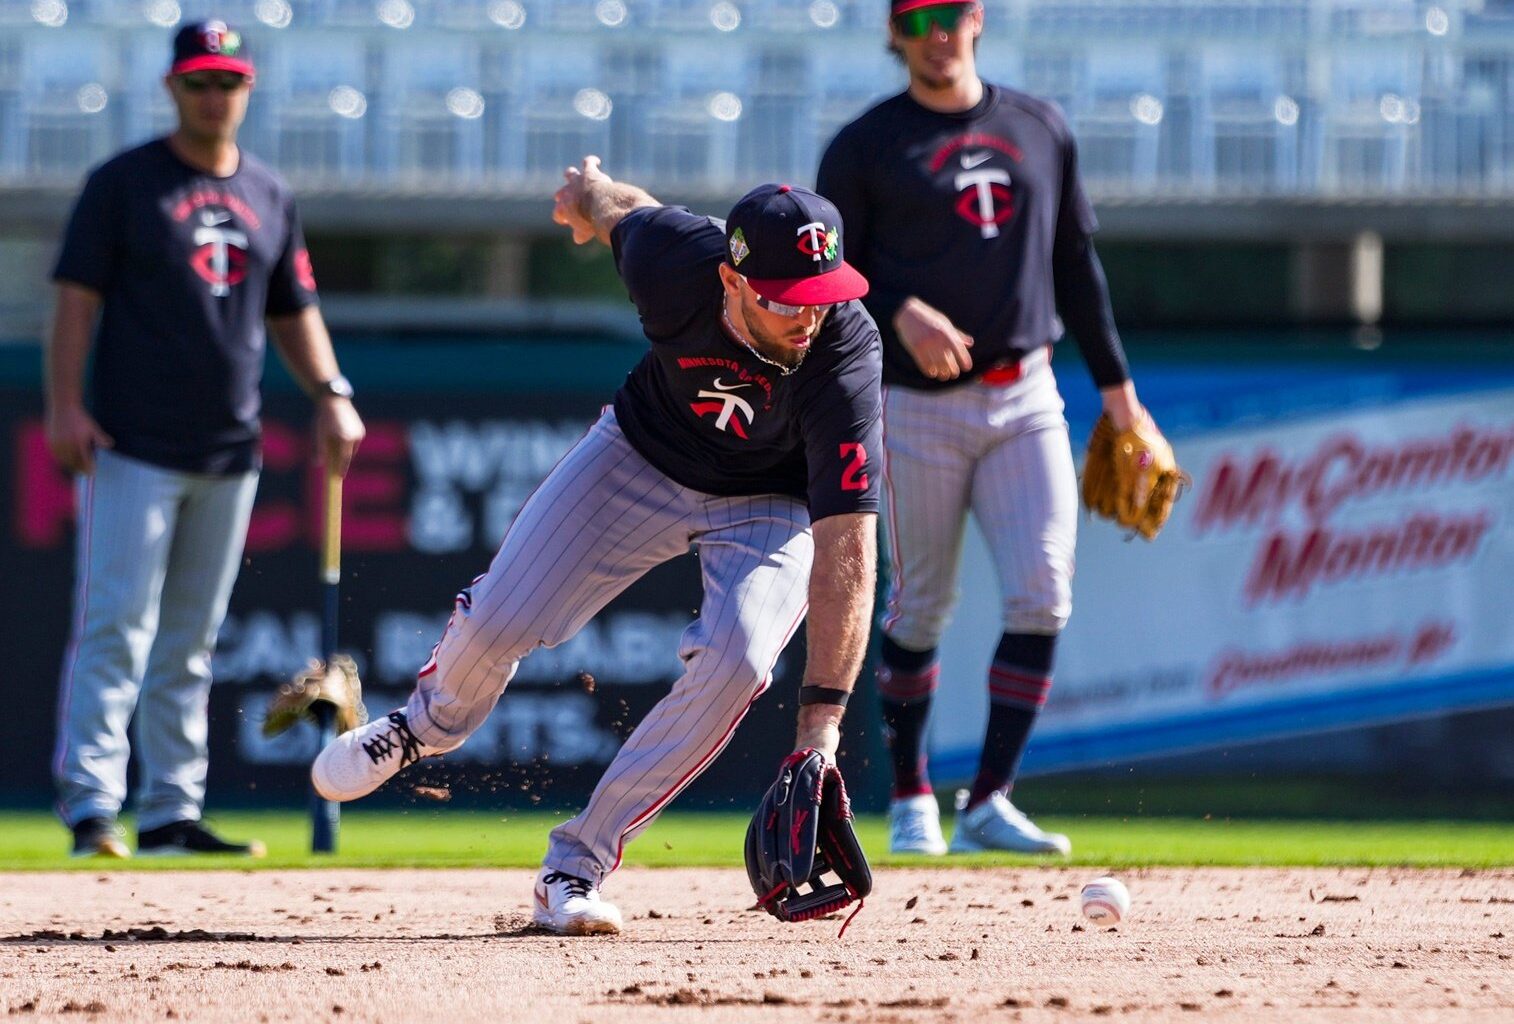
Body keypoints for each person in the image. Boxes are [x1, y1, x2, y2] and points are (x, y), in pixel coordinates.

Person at [311, 156, 881, 936]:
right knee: (503, 617)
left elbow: (848, 547)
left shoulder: (844, 348)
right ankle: (421, 727)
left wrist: (821, 730)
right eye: (787, 302)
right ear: (733, 280)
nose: (808, 319)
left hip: (770, 501)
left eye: (821, 296)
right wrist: (585, 193)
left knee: (740, 662)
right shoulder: (672, 260)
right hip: (642, 455)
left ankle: (574, 866)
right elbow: (623, 207)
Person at [817, 0, 1149, 856]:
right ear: (895, 33)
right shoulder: (864, 145)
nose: (936, 32)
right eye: (916, 16)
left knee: (1044, 590)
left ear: (978, 19)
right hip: (917, 405)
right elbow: (826, 278)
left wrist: (1122, 401)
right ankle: (913, 796)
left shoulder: (1039, 125)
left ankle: (990, 800)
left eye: (950, 13)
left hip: (1026, 390)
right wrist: (897, 312)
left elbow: (1077, 264)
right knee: (921, 605)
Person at [47, 19, 365, 858]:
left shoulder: (268, 192)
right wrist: (63, 404)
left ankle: (170, 812)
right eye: (198, 81)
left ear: (247, 88)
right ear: (172, 87)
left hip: (230, 446)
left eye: (226, 81)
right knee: (117, 626)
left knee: (190, 641)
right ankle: (91, 809)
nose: (213, 95)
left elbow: (294, 309)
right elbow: (75, 300)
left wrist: (332, 393)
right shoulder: (124, 184)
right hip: (131, 440)